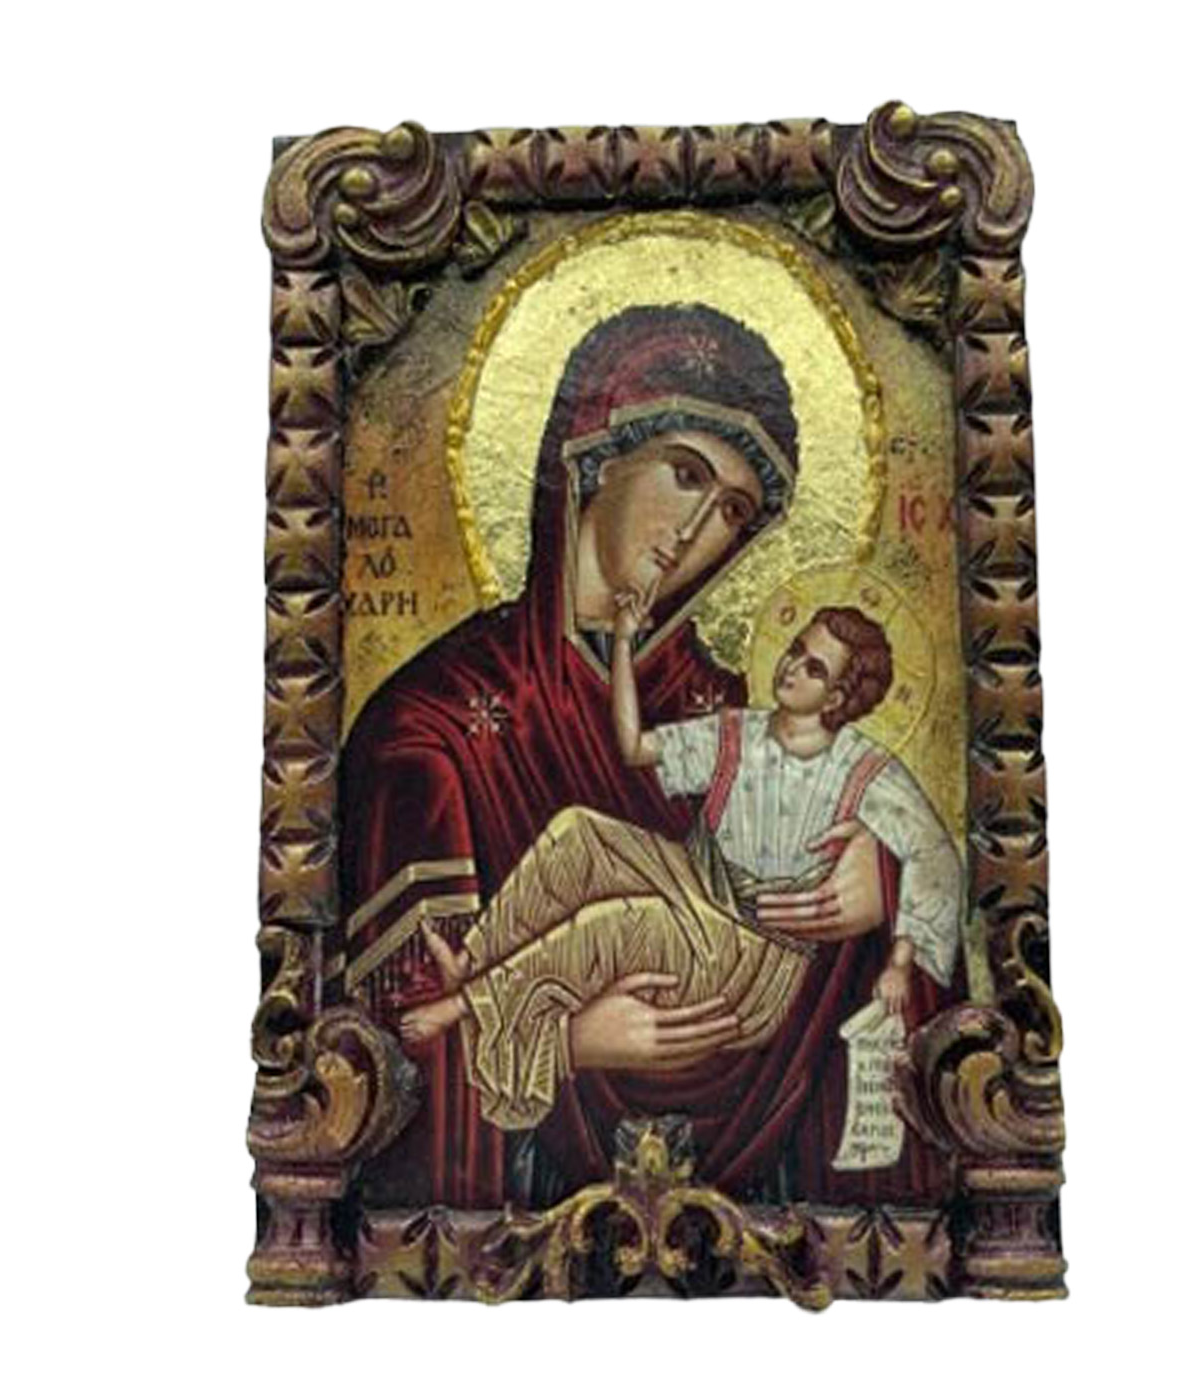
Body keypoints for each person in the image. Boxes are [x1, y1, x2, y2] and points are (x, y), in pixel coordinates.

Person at [339, 303, 950, 1210]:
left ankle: (489, 994)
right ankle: (488, 990)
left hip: (749, 1099)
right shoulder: (432, 724)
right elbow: (375, 1056)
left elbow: (854, 947)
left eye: (733, 509)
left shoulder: (731, 708)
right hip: (518, 1205)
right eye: (685, 473)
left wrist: (881, 883)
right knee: (581, 839)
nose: (698, 526)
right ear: (594, 461)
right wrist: (567, 1041)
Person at [397, 604, 961, 1138]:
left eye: (814, 667)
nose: (791, 667)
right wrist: (623, 643)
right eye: (795, 650)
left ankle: (464, 1005)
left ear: (837, 695)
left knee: (617, 921)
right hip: (700, 886)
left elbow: (935, 853)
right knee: (577, 831)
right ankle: (473, 964)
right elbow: (634, 747)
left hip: (752, 957)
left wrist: (899, 961)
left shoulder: (865, 770)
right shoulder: (738, 732)